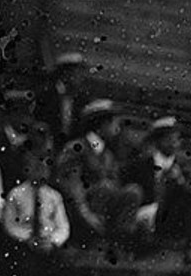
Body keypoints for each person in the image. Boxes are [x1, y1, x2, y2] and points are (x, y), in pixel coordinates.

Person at [53, 98, 144, 253]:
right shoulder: (76, 148)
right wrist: (86, 213)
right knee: (105, 187)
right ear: (102, 124)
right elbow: (71, 186)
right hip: (78, 212)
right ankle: (94, 243)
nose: (117, 128)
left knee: (133, 192)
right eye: (114, 122)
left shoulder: (107, 155)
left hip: (102, 214)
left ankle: (116, 243)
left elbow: (115, 186)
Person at [123, 116, 191, 256]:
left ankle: (189, 248)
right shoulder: (140, 164)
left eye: (176, 139)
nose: (174, 143)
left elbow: (190, 193)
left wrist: (180, 180)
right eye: (169, 139)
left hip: (169, 216)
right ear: (158, 140)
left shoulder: (182, 169)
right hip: (143, 213)